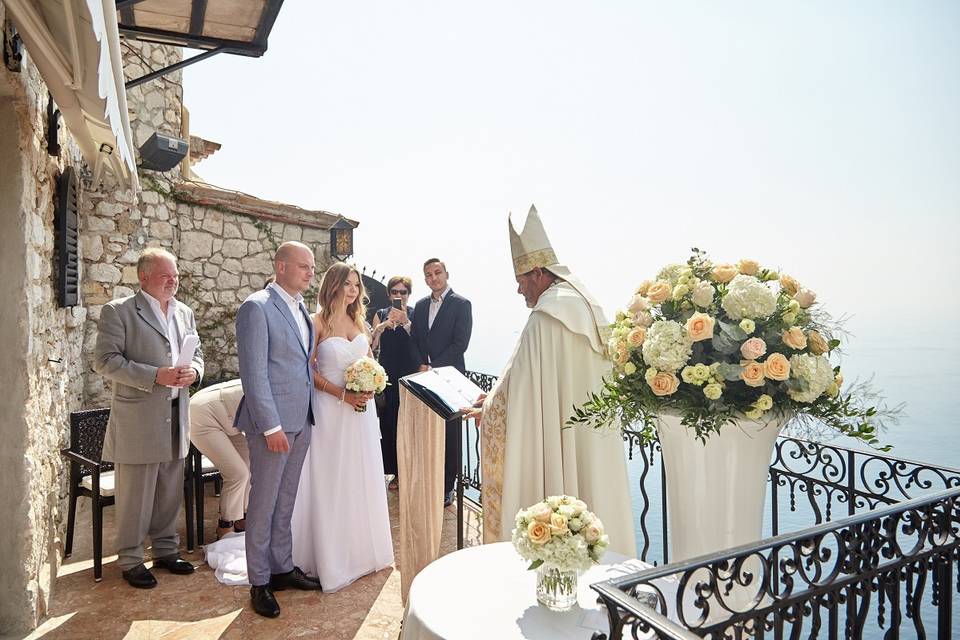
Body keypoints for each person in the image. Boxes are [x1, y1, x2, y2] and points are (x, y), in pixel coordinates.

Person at [477, 206, 636, 557]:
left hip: (555, 438)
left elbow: (518, 387)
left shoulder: (547, 317)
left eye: (520, 280)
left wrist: (488, 408)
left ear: (536, 273)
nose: (519, 290)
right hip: (590, 440)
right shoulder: (584, 307)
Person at [93, 247, 204, 588]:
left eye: (176, 276)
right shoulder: (119, 311)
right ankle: (130, 560)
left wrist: (194, 374)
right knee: (136, 496)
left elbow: (197, 354)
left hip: (176, 416)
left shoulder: (184, 312)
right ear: (143, 277)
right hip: (138, 419)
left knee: (169, 490)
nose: (173, 282)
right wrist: (156, 375)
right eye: (166, 276)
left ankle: (167, 551)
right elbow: (106, 361)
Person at [291, 262, 394, 592]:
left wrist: (371, 381)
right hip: (330, 411)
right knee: (332, 478)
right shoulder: (316, 322)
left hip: (361, 414)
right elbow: (308, 372)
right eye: (347, 284)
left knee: (358, 476)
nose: (353, 290)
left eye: (356, 285)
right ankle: (330, 558)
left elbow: (366, 361)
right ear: (333, 285)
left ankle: (361, 553)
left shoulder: (359, 321)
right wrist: (342, 394)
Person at [235, 241, 322, 619]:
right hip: (272, 425)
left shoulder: (301, 308)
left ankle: (282, 568)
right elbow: (254, 373)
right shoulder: (256, 307)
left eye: (312, 267)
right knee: (264, 502)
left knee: (286, 500)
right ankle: (259, 581)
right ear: (281, 266)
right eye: (304, 266)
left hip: (302, 419)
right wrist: (270, 425)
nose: (310, 273)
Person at [409, 259, 473, 505]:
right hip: (425, 378)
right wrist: (421, 365)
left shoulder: (462, 304)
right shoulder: (421, 305)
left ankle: (448, 487)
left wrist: (434, 365)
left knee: (451, 434)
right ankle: (429, 481)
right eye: (428, 275)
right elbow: (414, 339)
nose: (433, 278)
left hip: (451, 379)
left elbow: (461, 344)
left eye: (437, 273)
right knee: (428, 430)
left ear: (446, 274)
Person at [371, 276, 417, 486]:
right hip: (387, 375)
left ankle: (408, 471)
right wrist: (382, 326)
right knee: (388, 423)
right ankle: (392, 471)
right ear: (389, 294)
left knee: (407, 424)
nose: (399, 296)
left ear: (408, 294)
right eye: (395, 292)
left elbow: (420, 343)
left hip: (410, 376)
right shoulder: (380, 314)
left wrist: (405, 322)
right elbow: (371, 347)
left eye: (403, 292)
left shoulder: (416, 314)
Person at [189, 379, 249, 539]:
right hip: (202, 414)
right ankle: (225, 524)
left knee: (251, 467)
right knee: (238, 473)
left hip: (233, 420)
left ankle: (242, 518)